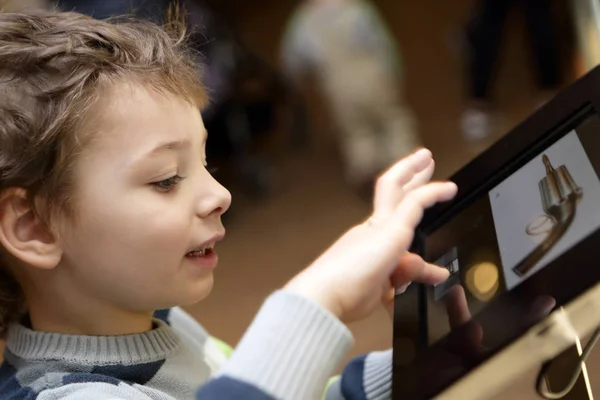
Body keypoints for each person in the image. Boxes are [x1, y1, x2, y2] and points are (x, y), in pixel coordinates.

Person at [0, 9, 458, 400]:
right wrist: (317, 301)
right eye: (165, 179)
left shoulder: (158, 320)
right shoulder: (66, 394)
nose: (221, 195)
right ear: (34, 227)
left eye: (205, 162)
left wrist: (418, 359)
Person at [281, 0, 421, 193]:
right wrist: (394, 69)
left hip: (338, 87)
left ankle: (366, 171)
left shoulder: (304, 21)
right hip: (374, 77)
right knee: (393, 120)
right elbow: (381, 42)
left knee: (356, 131)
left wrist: (298, 81)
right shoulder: (358, 9)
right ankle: (406, 162)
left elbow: (292, 58)